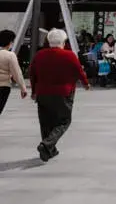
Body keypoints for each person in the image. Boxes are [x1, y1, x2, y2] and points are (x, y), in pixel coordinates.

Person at [29, 29, 90, 161]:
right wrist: (86, 83)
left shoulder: (39, 55)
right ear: (63, 42)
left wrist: (33, 91)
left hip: (43, 93)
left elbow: (32, 73)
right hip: (63, 93)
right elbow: (79, 70)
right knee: (64, 121)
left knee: (45, 122)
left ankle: (48, 150)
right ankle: (47, 145)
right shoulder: (69, 55)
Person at [0, 30, 28, 115]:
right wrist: (23, 88)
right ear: (10, 42)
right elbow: (17, 73)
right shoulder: (10, 55)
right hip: (3, 87)